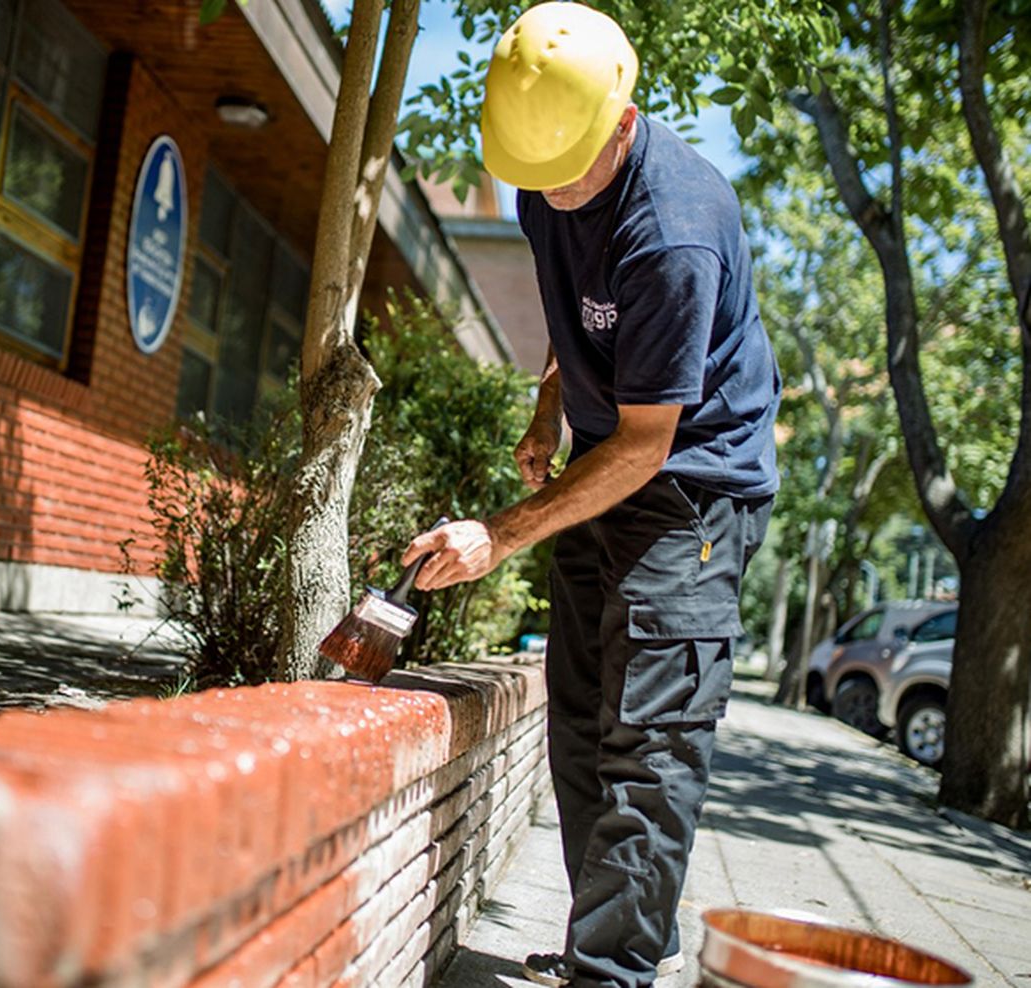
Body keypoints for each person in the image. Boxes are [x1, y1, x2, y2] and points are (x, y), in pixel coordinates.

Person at [401, 4, 781, 986]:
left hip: (692, 487)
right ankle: (598, 948)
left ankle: (613, 976)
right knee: (576, 715)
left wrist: (498, 532)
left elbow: (651, 443)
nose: (556, 195)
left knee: (647, 740)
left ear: (623, 120)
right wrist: (546, 410)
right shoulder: (543, 184)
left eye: (574, 169)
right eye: (540, 176)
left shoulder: (677, 233)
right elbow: (578, 317)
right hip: (605, 459)